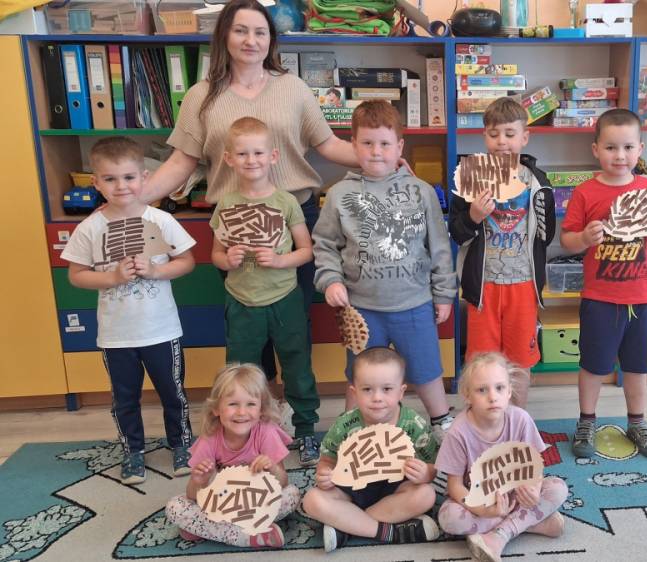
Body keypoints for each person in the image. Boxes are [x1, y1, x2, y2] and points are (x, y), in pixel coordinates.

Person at [138, 0, 359, 453]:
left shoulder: (293, 88)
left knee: (292, 330)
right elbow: (181, 161)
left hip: (294, 218)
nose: (251, 40)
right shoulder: (202, 95)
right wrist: (132, 198)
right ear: (224, 35)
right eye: (241, 30)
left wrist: (380, 159)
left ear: (270, 40)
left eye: (260, 32)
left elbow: (329, 144)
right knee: (249, 337)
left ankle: (299, 419)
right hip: (233, 226)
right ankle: (257, 422)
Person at [313, 100, 458, 442]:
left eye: (384, 143)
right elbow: (324, 245)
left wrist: (444, 294)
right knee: (361, 375)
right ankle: (351, 432)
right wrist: (330, 280)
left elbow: (439, 247)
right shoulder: (339, 195)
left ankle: (441, 421)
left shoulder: (422, 192)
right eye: (367, 143)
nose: (376, 152)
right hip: (362, 309)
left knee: (426, 369)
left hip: (414, 303)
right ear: (353, 145)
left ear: (399, 146)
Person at [61, 137, 196, 484]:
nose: (121, 186)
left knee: (173, 393)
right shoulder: (90, 227)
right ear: (95, 182)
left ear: (144, 177)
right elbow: (76, 275)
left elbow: (186, 261)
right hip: (116, 335)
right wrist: (112, 277)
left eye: (129, 177)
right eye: (110, 179)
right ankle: (132, 451)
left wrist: (156, 270)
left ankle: (182, 445)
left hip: (162, 330)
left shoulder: (161, 220)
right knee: (124, 399)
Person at [560, 109, 647, 459]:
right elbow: (567, 240)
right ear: (596, 150)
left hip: (643, 297)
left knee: (637, 365)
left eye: (628, 147)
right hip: (601, 298)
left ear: (640, 149)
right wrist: (584, 238)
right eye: (611, 147)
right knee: (593, 365)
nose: (620, 155)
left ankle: (637, 422)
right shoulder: (585, 193)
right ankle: (586, 421)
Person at [209, 117, 321, 465]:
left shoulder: (285, 202)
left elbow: (307, 250)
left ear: (273, 156)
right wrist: (227, 258)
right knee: (242, 372)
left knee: (297, 365)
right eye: (242, 153)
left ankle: (305, 429)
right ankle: (250, 433)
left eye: (258, 153)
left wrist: (281, 259)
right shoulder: (226, 204)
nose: (251, 160)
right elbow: (215, 255)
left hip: (284, 299)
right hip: (242, 302)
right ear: (229, 159)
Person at [448, 97, 555, 407]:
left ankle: (517, 419)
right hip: (484, 288)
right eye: (494, 134)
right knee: (481, 362)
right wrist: (473, 216)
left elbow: (546, 236)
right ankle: (482, 420)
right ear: (484, 136)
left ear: (524, 137)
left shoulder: (537, 181)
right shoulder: (469, 177)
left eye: (510, 133)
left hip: (523, 285)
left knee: (520, 361)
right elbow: (456, 232)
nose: (502, 142)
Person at [303, 347, 441, 552]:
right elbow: (328, 458)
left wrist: (425, 473)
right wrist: (325, 473)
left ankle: (348, 525)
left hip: (396, 490)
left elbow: (434, 465)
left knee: (426, 495)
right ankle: (388, 531)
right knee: (312, 500)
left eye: (387, 389)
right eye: (367, 389)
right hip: (351, 490)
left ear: (401, 391)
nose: (377, 397)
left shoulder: (414, 424)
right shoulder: (345, 424)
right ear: (354, 392)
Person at [435, 352, 568, 562]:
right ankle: (530, 523)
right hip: (478, 501)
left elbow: (535, 466)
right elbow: (455, 486)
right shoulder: (458, 432)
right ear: (467, 396)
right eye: (482, 390)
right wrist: (484, 510)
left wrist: (534, 489)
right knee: (449, 519)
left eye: (499, 388)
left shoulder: (521, 419)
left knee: (558, 488)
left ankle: (499, 534)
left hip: (515, 494)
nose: (492, 397)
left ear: (509, 392)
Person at [165, 364, 299, 549]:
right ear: (216, 408)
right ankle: (249, 536)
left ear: (261, 408)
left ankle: (208, 529)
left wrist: (273, 469)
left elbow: (282, 483)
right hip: (222, 504)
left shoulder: (266, 433)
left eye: (251, 404)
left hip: (256, 502)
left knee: (292, 494)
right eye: (233, 404)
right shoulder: (209, 438)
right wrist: (199, 481)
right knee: (175, 507)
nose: (242, 412)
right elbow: (192, 495)